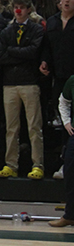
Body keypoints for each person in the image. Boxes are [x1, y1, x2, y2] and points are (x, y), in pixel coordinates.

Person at [0, 0, 45, 180]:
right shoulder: (7, 31)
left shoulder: (36, 29)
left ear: (28, 9)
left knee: (34, 126)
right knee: (11, 127)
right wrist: (20, 54)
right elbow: (1, 56)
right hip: (9, 84)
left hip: (30, 82)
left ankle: (38, 164)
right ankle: (11, 165)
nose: (18, 10)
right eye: (16, 7)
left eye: (22, 7)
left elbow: (33, 52)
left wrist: (12, 52)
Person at [51, 78, 74, 227]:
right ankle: (70, 215)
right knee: (70, 171)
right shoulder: (72, 80)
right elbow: (64, 101)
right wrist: (66, 122)